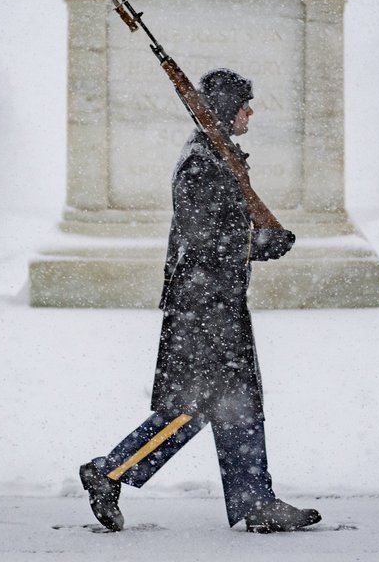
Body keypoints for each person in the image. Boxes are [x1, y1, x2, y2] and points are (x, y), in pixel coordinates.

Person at [78, 68, 322, 533]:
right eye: (244, 104)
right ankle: (109, 471)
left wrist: (255, 239)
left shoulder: (219, 156)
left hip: (219, 304)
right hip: (201, 308)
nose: (251, 112)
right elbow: (201, 237)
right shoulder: (199, 162)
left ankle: (255, 501)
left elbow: (220, 231)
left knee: (238, 402)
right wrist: (255, 244)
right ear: (226, 110)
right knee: (193, 407)